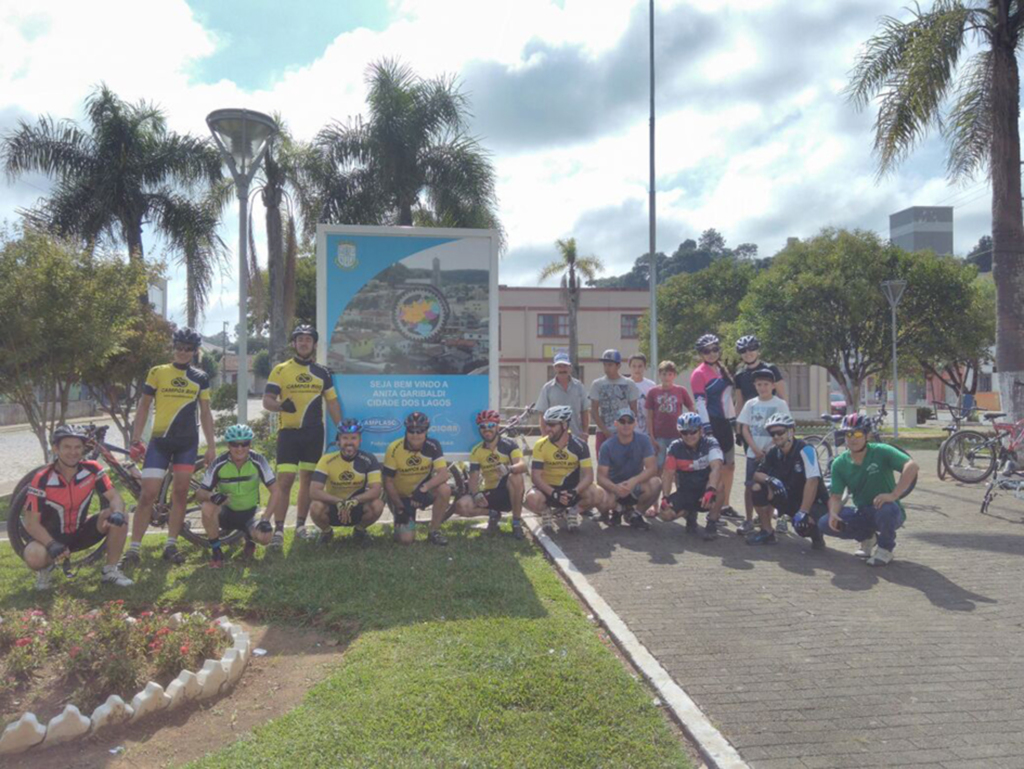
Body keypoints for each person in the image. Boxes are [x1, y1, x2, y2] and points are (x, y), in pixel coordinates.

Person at [123, 326, 215, 567]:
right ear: (173, 348)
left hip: (187, 442)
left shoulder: (200, 377)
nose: (183, 352)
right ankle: (133, 549)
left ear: (195, 352)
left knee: (180, 494)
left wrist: (212, 446)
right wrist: (135, 438)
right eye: (179, 347)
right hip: (160, 442)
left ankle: (171, 545)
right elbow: (143, 406)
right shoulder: (157, 372)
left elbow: (205, 413)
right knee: (148, 495)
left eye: (189, 349)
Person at [22, 425, 133, 589]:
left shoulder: (92, 469)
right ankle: (47, 568)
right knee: (33, 556)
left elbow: (115, 497)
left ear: (83, 449)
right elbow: (31, 523)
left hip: (80, 532)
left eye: (77, 447)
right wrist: (51, 544)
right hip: (50, 537)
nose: (73, 452)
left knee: (120, 517)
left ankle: (110, 570)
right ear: (56, 448)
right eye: (67, 447)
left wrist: (116, 511)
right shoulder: (43, 478)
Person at [263, 324, 341, 545]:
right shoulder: (281, 369)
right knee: (285, 480)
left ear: (314, 345)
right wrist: (280, 406)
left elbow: (332, 402)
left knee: (307, 480)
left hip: (313, 433)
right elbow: (267, 400)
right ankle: (279, 529)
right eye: (300, 339)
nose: (304, 343)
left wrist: (341, 427)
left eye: (308, 339)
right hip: (289, 434)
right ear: (294, 344)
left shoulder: (322, 372)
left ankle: (300, 525)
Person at [817, 413, 919, 566]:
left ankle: (885, 549)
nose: (853, 438)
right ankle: (868, 538)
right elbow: (836, 496)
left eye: (858, 433)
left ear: (867, 435)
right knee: (825, 523)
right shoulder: (839, 463)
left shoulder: (881, 451)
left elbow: (912, 466)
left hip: (889, 511)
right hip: (863, 510)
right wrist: (833, 512)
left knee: (886, 509)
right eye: (849, 434)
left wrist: (894, 494)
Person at [196, 424, 279, 568]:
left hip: (250, 513)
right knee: (207, 507)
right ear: (228, 445)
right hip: (226, 513)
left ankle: (250, 539)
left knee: (266, 537)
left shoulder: (259, 460)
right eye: (235, 444)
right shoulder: (218, 463)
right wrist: (213, 496)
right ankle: (216, 551)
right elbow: (199, 493)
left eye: (244, 444)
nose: (239, 449)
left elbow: (276, 491)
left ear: (250, 444)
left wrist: (265, 519)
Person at [748, 412, 827, 549]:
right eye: (772, 434)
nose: (776, 436)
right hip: (788, 497)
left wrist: (803, 511)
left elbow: (813, 481)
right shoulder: (774, 451)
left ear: (791, 431)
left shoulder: (806, 449)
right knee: (756, 488)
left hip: (812, 502)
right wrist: (770, 480)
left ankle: (817, 534)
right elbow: (756, 474)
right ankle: (767, 531)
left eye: (780, 432)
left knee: (803, 528)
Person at [525, 405, 604, 532]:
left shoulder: (580, 445)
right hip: (548, 489)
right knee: (532, 498)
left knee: (598, 494)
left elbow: (588, 476)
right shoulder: (540, 445)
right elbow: (536, 476)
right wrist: (553, 493)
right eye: (546, 424)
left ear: (564, 425)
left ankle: (572, 513)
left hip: (571, 489)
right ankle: (546, 512)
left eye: (552, 425)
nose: (547, 428)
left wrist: (575, 491)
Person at [308, 419, 385, 544]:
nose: (349, 442)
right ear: (339, 440)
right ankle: (326, 532)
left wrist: (355, 501)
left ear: (360, 441)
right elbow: (314, 491)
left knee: (377, 505)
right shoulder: (326, 460)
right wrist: (338, 502)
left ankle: (360, 531)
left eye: (353, 438)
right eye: (345, 438)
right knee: (315, 506)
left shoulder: (369, 459)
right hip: (334, 506)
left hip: (357, 506)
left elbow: (376, 490)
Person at [736, 367, 792, 537]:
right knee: (749, 486)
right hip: (754, 453)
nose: (763, 387)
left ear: (773, 385)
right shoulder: (751, 404)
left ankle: (766, 520)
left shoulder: (780, 404)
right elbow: (745, 428)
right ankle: (748, 518)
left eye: (766, 384)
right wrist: (753, 447)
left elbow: (787, 427)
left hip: (773, 454)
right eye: (759, 384)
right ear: (755, 386)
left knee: (771, 487)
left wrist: (772, 449)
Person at [455, 410, 528, 539]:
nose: (487, 429)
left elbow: (522, 465)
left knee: (516, 477)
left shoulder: (509, 445)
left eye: (490, 425)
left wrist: (509, 469)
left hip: (508, 492)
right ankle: (493, 514)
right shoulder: (477, 450)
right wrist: (476, 494)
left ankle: (516, 522)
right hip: (491, 492)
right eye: (483, 426)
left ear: (497, 427)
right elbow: (473, 478)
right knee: (462, 506)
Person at [382, 412, 451, 546]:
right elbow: (388, 482)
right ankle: (403, 518)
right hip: (401, 498)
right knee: (405, 540)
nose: (415, 435)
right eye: (411, 430)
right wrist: (400, 507)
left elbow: (444, 474)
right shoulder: (394, 448)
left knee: (445, 489)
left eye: (420, 430)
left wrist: (423, 489)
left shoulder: (433, 445)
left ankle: (434, 531)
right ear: (406, 430)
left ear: (426, 430)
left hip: (421, 493)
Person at [690, 334, 739, 519]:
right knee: (714, 466)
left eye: (714, 349)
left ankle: (725, 505)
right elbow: (700, 403)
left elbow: (727, 399)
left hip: (726, 423)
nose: (711, 354)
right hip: (712, 423)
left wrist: (734, 421)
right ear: (701, 354)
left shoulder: (722, 369)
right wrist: (706, 427)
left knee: (730, 466)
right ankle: (712, 508)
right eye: (706, 351)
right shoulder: (699, 373)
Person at [657, 412, 724, 541]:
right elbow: (668, 473)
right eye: (684, 432)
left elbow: (716, 467)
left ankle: (712, 522)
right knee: (665, 515)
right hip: (686, 491)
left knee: (719, 485)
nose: (689, 436)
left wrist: (710, 490)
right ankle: (689, 513)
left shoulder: (711, 443)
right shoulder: (675, 447)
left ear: (700, 430)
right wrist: (665, 496)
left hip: (705, 489)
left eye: (693, 432)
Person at [596, 407, 661, 529]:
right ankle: (617, 509)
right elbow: (600, 477)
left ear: (635, 423)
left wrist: (633, 481)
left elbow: (652, 468)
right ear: (616, 424)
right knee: (601, 498)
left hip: (635, 486)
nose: (626, 425)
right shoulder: (607, 446)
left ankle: (636, 514)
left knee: (656, 483)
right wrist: (615, 488)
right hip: (614, 487)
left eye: (630, 421)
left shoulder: (644, 441)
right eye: (622, 421)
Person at [589, 349, 640, 458]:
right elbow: (594, 410)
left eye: (610, 365)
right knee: (603, 462)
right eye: (605, 365)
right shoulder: (597, 384)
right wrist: (605, 431)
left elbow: (634, 410)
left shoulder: (629, 383)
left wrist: (627, 428)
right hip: (603, 430)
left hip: (624, 430)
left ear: (618, 366)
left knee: (625, 462)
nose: (607, 368)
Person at [646, 360, 695, 468]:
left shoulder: (681, 390)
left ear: (674, 375)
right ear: (659, 375)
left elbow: (691, 408)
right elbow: (649, 416)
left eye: (670, 374)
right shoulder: (653, 392)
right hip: (659, 435)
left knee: (677, 464)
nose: (667, 377)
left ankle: (677, 484)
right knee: (659, 464)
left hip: (677, 434)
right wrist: (651, 437)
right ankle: (659, 484)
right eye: (664, 374)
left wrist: (690, 429)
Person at [535, 352, 589, 438]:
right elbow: (542, 415)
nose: (562, 369)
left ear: (570, 368)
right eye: (559, 366)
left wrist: (585, 432)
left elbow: (585, 412)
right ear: (554, 368)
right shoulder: (547, 388)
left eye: (565, 366)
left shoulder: (579, 387)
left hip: (576, 437)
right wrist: (544, 436)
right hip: (554, 438)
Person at [627, 353, 657, 439]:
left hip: (646, 432)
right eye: (634, 366)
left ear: (645, 367)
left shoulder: (651, 385)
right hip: (628, 431)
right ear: (630, 367)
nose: (637, 369)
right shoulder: (625, 384)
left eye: (640, 366)